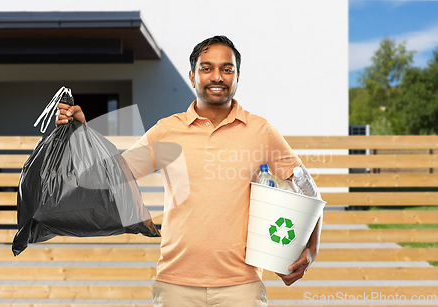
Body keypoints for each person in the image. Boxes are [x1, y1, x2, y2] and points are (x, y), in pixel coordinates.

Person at [56, 35, 322, 307]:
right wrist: (81, 133)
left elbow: (307, 189)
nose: (217, 76)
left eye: (226, 69)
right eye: (206, 68)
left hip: (242, 288)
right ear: (193, 77)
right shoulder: (166, 131)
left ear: (237, 77)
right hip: (175, 287)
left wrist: (311, 250)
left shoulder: (260, 131)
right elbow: (112, 175)